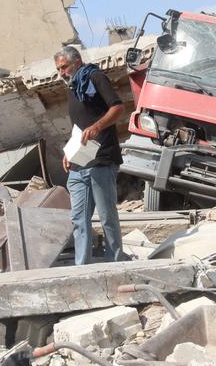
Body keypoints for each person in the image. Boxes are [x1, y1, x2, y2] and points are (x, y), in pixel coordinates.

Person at [54, 45, 125, 265]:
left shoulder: (95, 77)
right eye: (58, 69)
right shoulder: (73, 87)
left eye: (64, 67)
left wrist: (97, 126)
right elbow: (79, 126)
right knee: (78, 218)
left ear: (76, 63)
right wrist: (69, 151)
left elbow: (118, 107)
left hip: (102, 159)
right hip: (79, 161)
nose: (61, 73)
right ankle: (81, 267)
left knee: (107, 217)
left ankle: (115, 263)